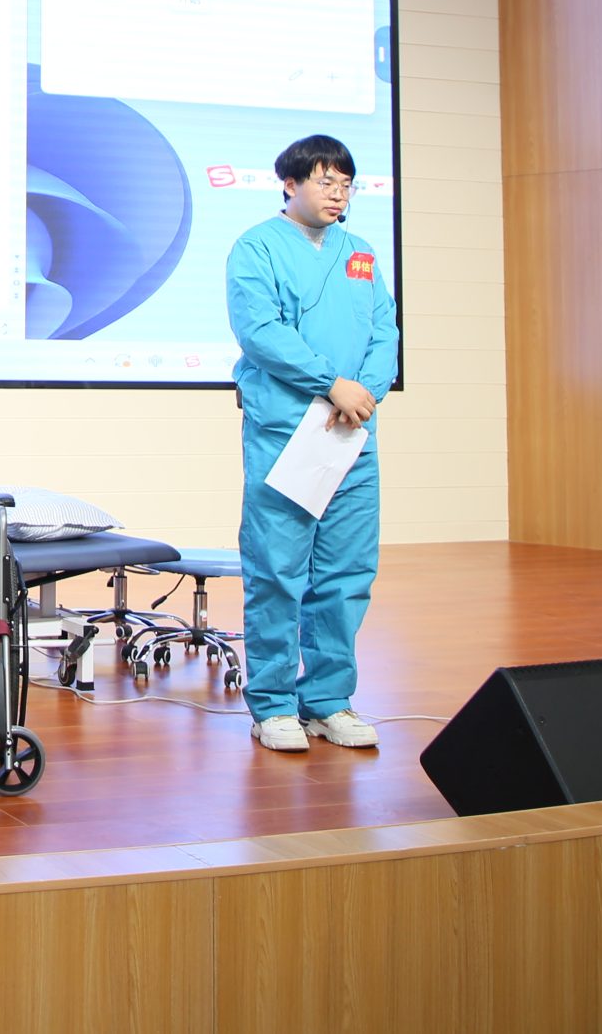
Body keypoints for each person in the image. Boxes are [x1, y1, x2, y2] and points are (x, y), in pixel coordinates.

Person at [226, 133, 399, 755]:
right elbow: (260, 331)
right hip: (287, 430)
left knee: (346, 573)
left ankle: (327, 700)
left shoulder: (361, 253)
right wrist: (331, 384)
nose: (338, 194)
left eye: (346, 184)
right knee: (278, 572)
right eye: (326, 181)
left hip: (351, 433)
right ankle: (273, 705)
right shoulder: (256, 248)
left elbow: (385, 330)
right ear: (291, 184)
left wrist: (364, 393)